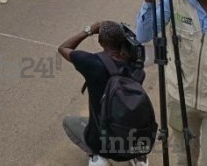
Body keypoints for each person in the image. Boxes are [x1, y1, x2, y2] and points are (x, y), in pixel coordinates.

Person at [136, 0, 207, 165]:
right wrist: (149, 2)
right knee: (182, 158)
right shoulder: (176, 0)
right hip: (181, 98)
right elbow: (143, 35)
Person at [58, 21, 148, 166]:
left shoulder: (91, 63)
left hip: (104, 141)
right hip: (133, 138)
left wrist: (88, 31)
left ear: (100, 41)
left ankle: (98, 156)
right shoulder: (137, 67)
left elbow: (63, 47)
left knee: (69, 122)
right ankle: (139, 158)